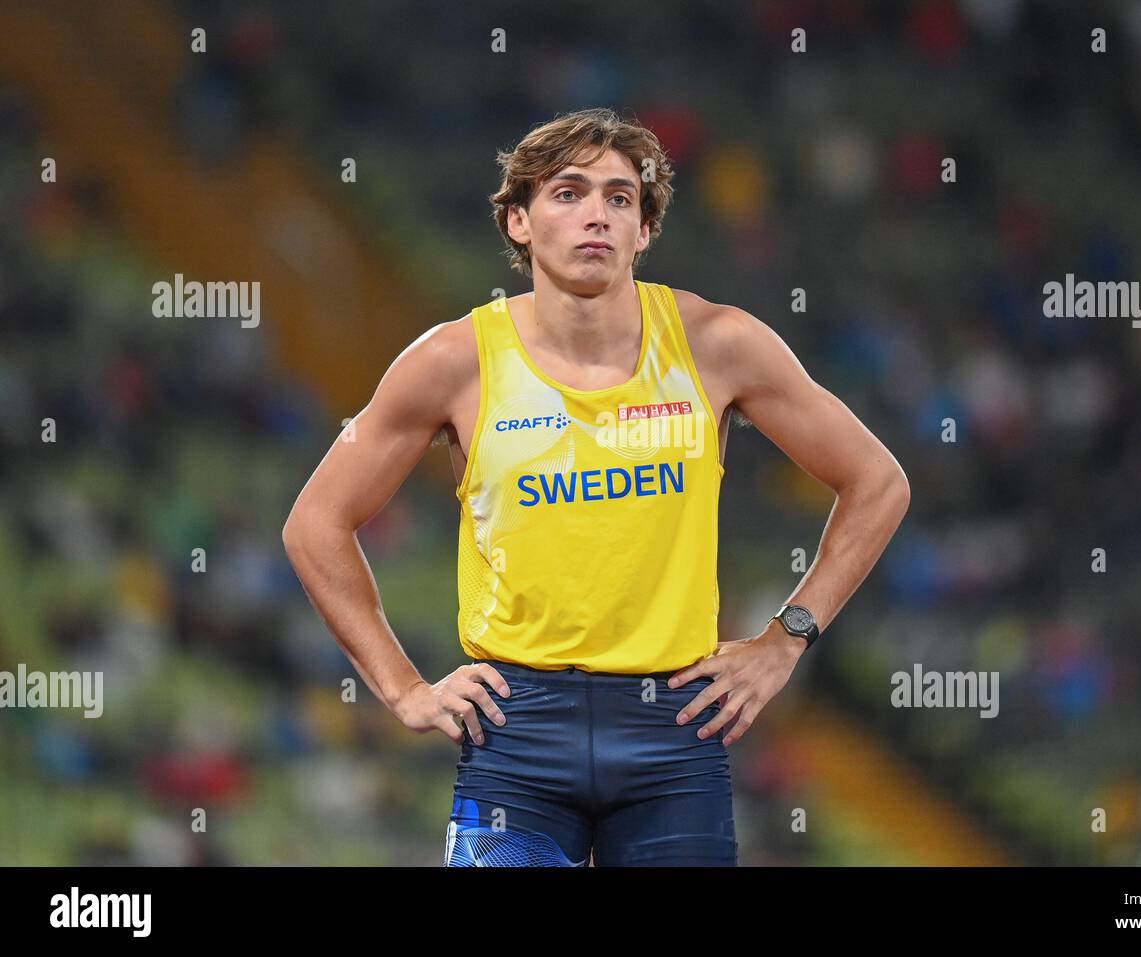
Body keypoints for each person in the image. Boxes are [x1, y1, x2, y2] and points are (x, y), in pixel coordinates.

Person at [282, 107, 911, 866]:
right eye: (569, 193)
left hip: (675, 735)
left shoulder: (717, 345)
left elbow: (877, 481)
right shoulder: (455, 361)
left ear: (645, 231)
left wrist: (786, 640)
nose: (598, 217)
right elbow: (315, 523)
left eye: (620, 198)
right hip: (515, 731)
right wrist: (403, 688)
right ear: (518, 221)